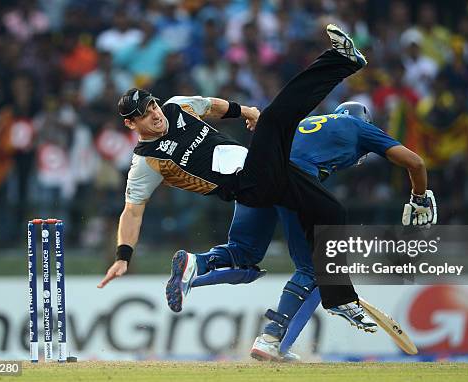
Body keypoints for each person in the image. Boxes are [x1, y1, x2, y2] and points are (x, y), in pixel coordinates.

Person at [97, 25, 437, 338]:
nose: (153, 115)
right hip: (247, 186)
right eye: (143, 115)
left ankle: (339, 299)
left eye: (152, 106)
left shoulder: (175, 107)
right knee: (276, 119)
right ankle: (342, 60)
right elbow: (133, 211)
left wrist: (246, 111)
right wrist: (123, 256)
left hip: (265, 170)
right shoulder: (146, 160)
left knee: (332, 212)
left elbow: (211, 105)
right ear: (131, 124)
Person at [170, 102, 433, 361]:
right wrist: (419, 197)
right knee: (312, 268)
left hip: (251, 173)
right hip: (291, 179)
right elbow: (416, 163)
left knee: (243, 254)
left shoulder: (309, 123)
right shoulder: (358, 126)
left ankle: (195, 265)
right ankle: (271, 338)